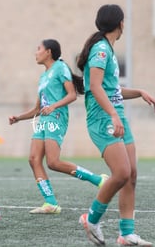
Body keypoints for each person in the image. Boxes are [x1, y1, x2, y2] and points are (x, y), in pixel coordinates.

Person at [76, 4, 155, 246]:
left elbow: (113, 90)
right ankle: (90, 219)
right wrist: (112, 114)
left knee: (131, 174)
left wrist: (140, 92)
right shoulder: (101, 49)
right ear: (120, 24)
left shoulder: (107, 48)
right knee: (121, 173)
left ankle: (126, 234)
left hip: (116, 116)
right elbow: (95, 87)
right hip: (103, 119)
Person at [9, 39, 108, 214]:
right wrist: (18, 118)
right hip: (44, 121)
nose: (36, 52)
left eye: (38, 49)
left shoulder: (60, 68)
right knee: (33, 159)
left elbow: (72, 95)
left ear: (48, 52)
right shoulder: (42, 76)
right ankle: (51, 203)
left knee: (53, 162)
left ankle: (98, 180)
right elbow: (38, 109)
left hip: (57, 118)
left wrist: (54, 106)